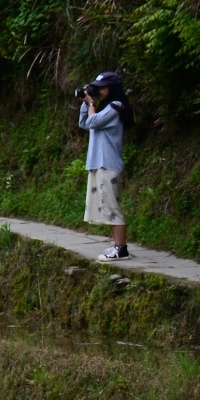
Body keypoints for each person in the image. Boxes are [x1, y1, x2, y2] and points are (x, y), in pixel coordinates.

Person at [79, 71, 132, 260]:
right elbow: (84, 123)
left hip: (108, 163)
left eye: (102, 88)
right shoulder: (105, 108)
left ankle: (121, 249)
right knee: (106, 207)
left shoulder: (116, 106)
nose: (99, 91)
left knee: (111, 207)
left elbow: (93, 122)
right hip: (99, 163)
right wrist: (86, 104)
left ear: (112, 88)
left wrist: (91, 103)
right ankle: (118, 246)